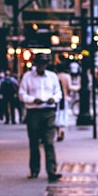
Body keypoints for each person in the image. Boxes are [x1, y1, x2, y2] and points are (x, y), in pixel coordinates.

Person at [18, 53, 63, 182]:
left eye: (44, 63)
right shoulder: (28, 77)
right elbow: (21, 94)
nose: (41, 66)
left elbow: (58, 93)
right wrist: (33, 100)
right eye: (39, 63)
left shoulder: (52, 77)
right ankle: (34, 170)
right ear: (35, 64)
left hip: (48, 112)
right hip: (34, 112)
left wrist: (53, 99)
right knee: (34, 142)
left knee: (49, 142)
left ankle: (51, 170)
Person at [55, 63, 73, 141]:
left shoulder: (55, 77)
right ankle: (62, 129)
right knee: (64, 115)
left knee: (57, 115)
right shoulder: (67, 77)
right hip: (65, 98)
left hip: (57, 99)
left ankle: (58, 133)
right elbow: (69, 87)